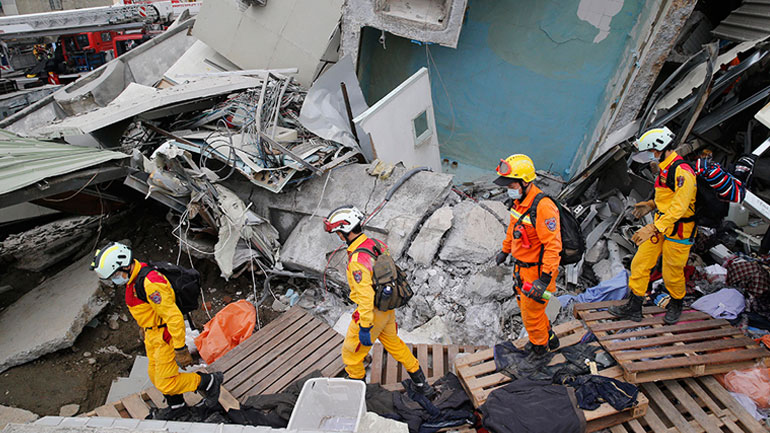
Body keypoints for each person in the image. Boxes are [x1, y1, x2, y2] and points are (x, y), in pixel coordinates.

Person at [90, 242, 223, 417]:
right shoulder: (134, 279)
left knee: (166, 382)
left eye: (115, 275)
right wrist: (144, 327)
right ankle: (177, 407)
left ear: (125, 266)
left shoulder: (151, 284)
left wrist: (180, 348)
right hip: (152, 333)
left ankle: (209, 382)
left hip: (164, 336)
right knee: (155, 375)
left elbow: (174, 317)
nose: (115, 279)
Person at [323, 206, 434, 396]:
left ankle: (357, 391)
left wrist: (365, 326)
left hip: (370, 315)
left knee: (351, 356)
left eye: (339, 232)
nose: (339, 236)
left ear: (344, 232)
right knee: (395, 345)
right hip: (386, 311)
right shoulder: (376, 244)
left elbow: (365, 297)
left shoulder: (357, 259)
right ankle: (423, 384)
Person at [609, 126, 697, 324]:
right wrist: (651, 205)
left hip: (679, 230)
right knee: (640, 263)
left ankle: (676, 303)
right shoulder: (664, 168)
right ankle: (634, 306)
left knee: (671, 271)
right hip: (660, 225)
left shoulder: (683, 173)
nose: (650, 156)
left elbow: (679, 208)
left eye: (651, 152)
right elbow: (668, 198)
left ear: (660, 149)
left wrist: (653, 227)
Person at [493, 154, 562, 359]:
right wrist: (505, 250)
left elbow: (553, 246)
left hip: (537, 273)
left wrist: (544, 279)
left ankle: (539, 350)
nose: (508, 189)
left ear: (525, 182)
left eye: (511, 184)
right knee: (530, 310)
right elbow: (513, 228)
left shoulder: (543, 207)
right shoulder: (520, 203)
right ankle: (549, 338)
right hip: (522, 269)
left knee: (530, 316)